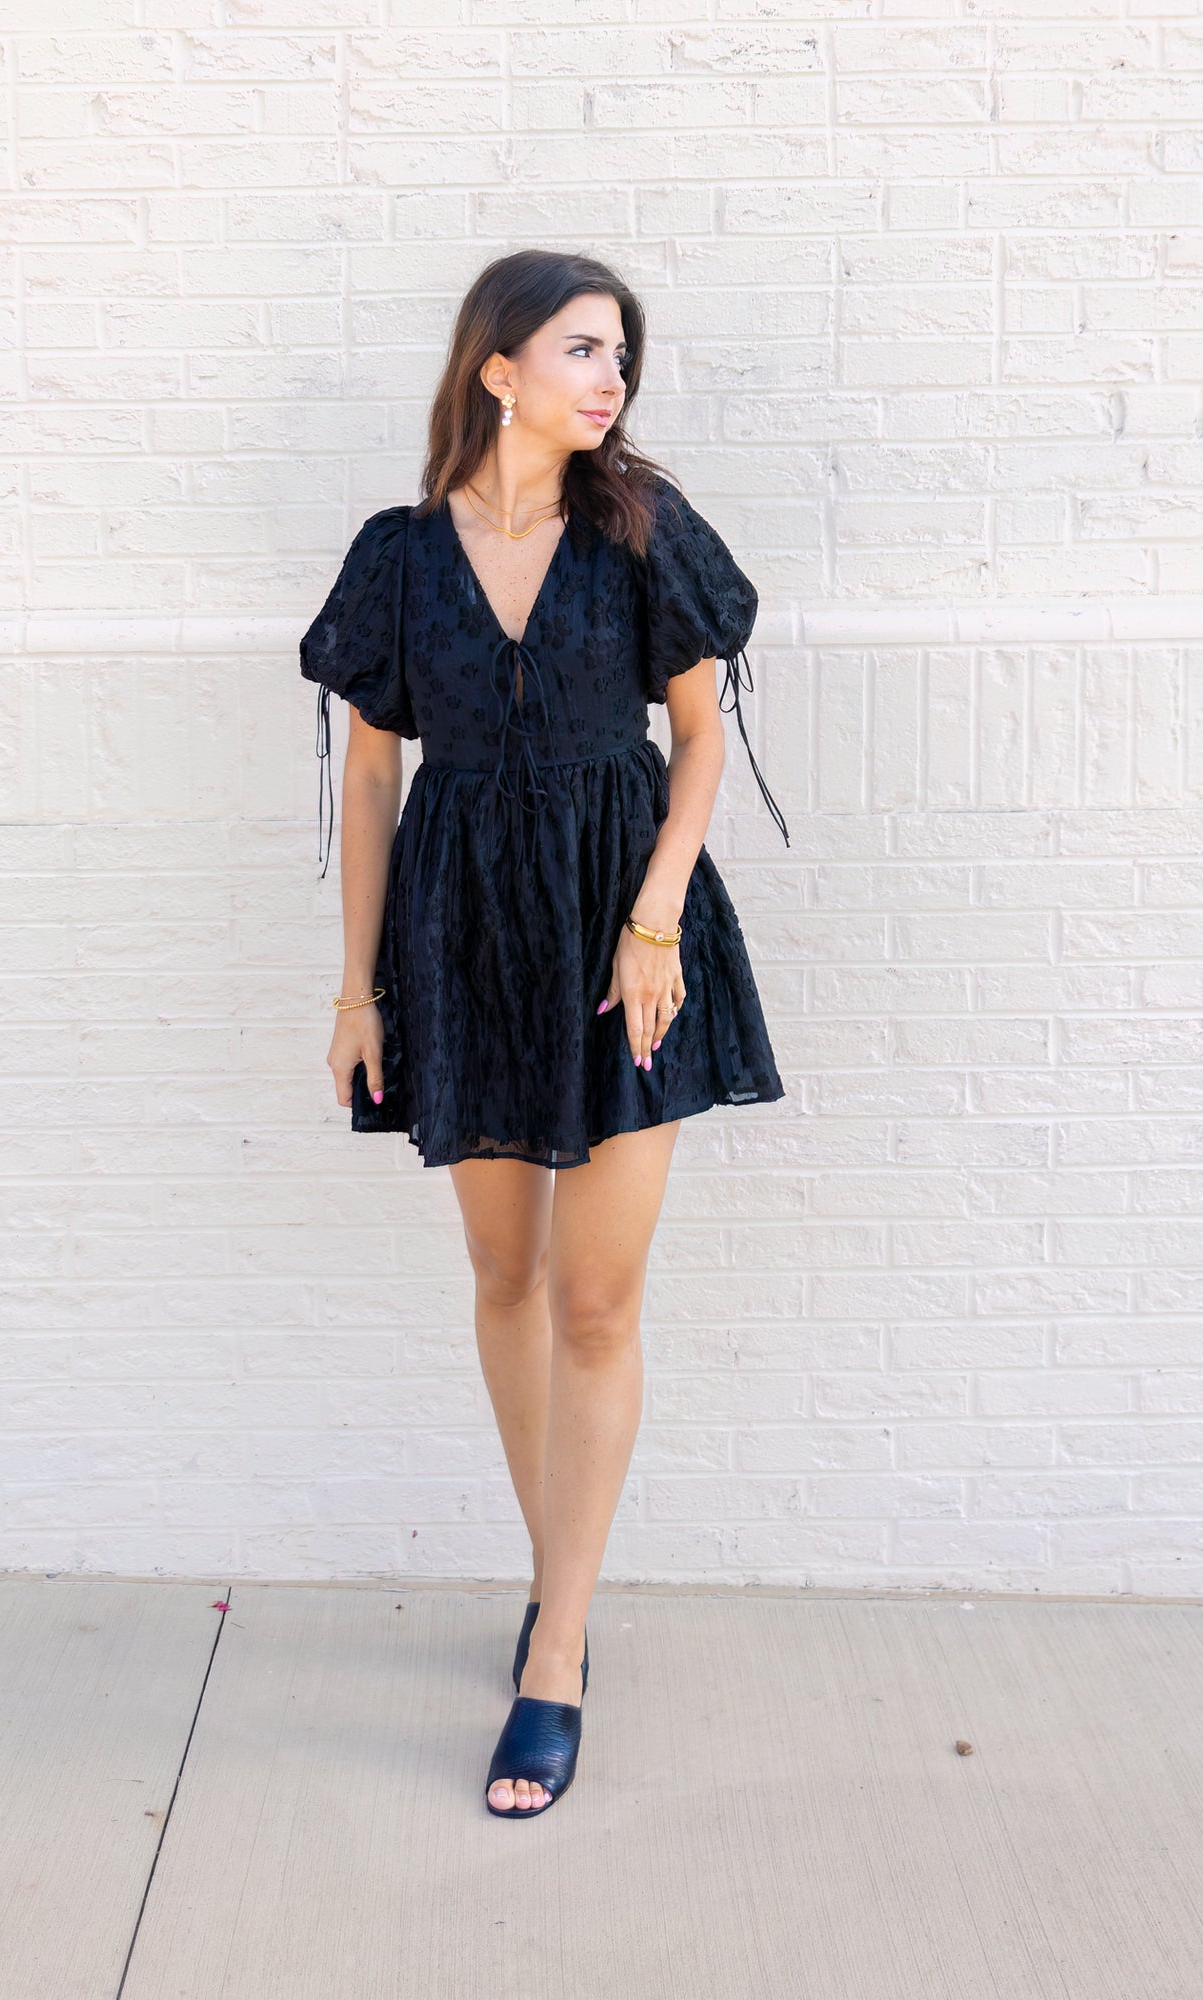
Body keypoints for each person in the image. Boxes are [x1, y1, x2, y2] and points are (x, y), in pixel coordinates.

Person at [299, 249, 788, 1820]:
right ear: (495, 369)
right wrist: (357, 988)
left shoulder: (642, 530)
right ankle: (549, 1573)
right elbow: (369, 777)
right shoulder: (397, 558)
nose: (610, 378)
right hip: (460, 942)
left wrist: (654, 923)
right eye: (581, 349)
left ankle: (557, 1648)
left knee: (593, 1301)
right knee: (503, 1276)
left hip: (622, 936)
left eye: (620, 355)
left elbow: (698, 740)